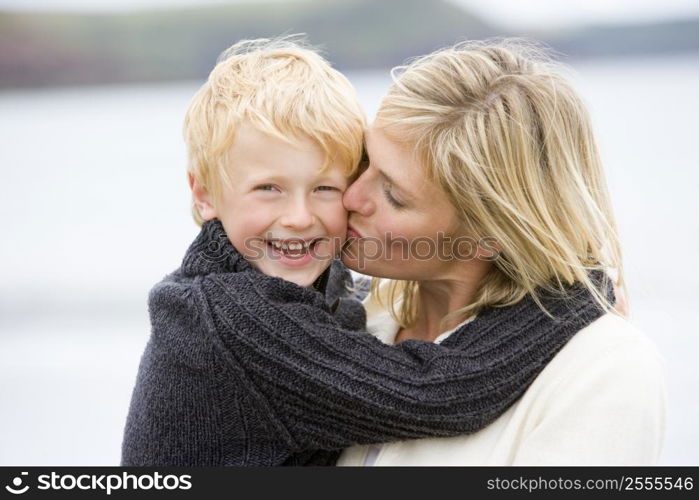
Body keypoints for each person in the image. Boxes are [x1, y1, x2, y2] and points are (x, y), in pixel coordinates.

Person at [121, 37, 626, 467]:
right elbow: (434, 393)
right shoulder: (234, 319)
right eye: (268, 188)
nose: (301, 216)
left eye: (326, 187)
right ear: (204, 195)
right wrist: (577, 297)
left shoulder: (289, 286)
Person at [336, 39, 666, 465]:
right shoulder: (347, 313)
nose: (350, 196)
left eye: (394, 196)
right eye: (364, 161)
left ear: (493, 231)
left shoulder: (601, 373)